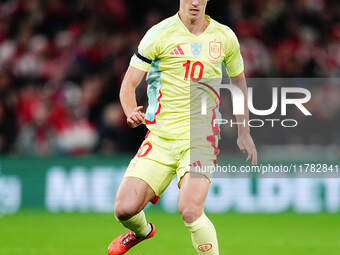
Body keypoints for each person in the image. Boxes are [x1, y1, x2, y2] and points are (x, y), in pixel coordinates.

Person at [107, 0, 257, 254]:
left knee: (190, 209)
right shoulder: (159, 34)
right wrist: (130, 110)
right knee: (124, 209)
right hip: (161, 137)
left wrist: (244, 131)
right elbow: (128, 85)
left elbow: (238, 84)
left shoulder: (224, 37)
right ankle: (142, 231)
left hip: (201, 137)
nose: (195, 2)